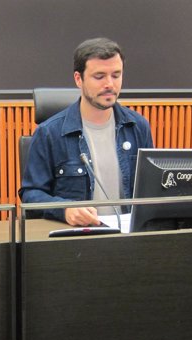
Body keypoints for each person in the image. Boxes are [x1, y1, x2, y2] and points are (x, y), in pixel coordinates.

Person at [19, 37, 154, 226]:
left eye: (116, 75)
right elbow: (31, 194)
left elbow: (151, 192)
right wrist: (64, 210)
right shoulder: (49, 133)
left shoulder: (138, 127)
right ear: (78, 79)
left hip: (129, 237)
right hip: (76, 238)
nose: (109, 84)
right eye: (99, 77)